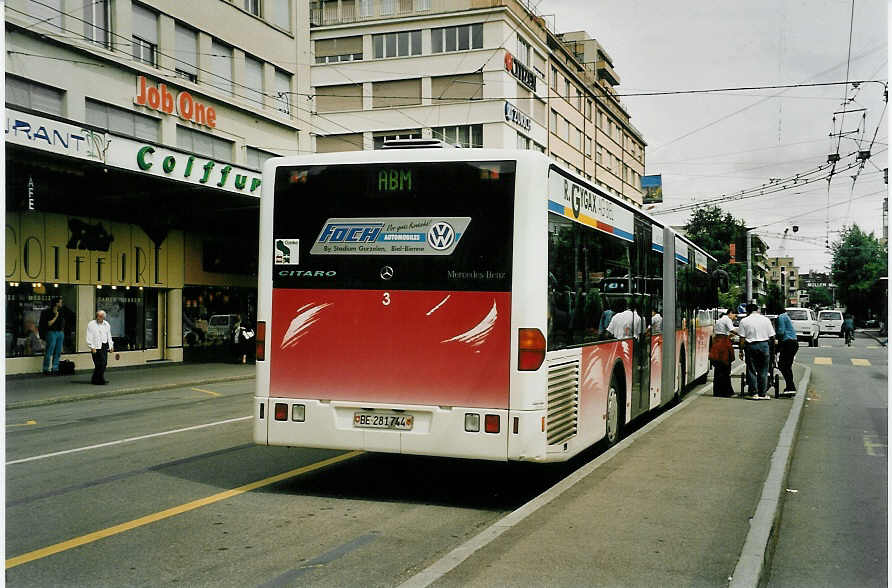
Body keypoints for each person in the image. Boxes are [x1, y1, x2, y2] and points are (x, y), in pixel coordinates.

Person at [738, 303, 775, 399]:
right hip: (764, 346)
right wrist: (771, 349)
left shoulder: (744, 321)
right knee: (764, 370)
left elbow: (742, 338)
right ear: (757, 310)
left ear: (747, 311)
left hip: (751, 346)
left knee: (751, 369)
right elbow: (772, 336)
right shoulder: (766, 320)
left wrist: (741, 350)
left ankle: (754, 393)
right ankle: (762, 393)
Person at [710, 308, 737, 397]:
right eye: (735, 315)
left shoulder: (718, 321)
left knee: (718, 370)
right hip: (723, 345)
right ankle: (727, 392)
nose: (735, 317)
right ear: (730, 313)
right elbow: (733, 330)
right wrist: (743, 334)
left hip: (717, 344)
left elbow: (716, 334)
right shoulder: (727, 320)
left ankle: (717, 391)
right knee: (725, 369)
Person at [86, 310, 114, 385]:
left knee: (104, 363)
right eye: (98, 316)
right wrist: (92, 347)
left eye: (101, 316)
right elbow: (89, 336)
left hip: (104, 345)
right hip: (95, 346)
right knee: (98, 364)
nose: (99, 318)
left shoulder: (106, 324)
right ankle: (99, 379)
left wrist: (111, 346)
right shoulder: (91, 324)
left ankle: (97, 379)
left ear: (104, 317)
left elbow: (109, 336)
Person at [39, 297, 65, 375]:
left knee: (58, 351)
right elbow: (49, 323)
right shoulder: (47, 312)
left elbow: (63, 322)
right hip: (51, 332)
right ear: (56, 303)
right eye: (60, 302)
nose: (61, 304)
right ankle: (46, 368)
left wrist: (62, 331)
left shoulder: (62, 311)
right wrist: (56, 316)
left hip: (59, 332)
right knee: (50, 350)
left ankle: (55, 367)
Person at [775, 309, 799, 392]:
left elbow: (781, 332)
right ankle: (790, 386)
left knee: (783, 365)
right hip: (792, 343)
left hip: (788, 343)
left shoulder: (781, 317)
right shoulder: (786, 316)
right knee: (787, 366)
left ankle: (791, 386)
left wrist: (775, 340)